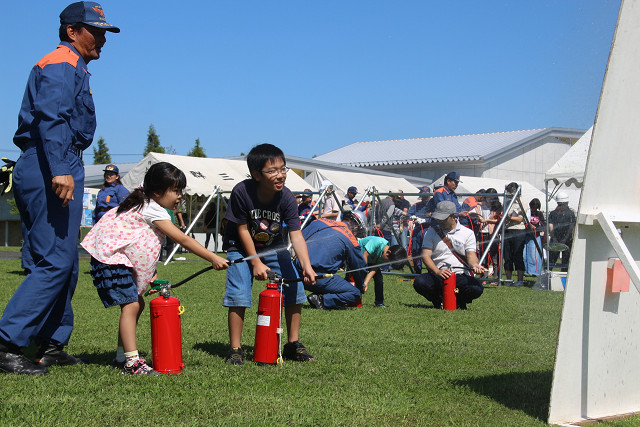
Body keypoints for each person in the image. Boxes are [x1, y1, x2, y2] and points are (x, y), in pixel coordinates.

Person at [0, 2, 119, 375]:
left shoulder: (75, 66)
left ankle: (50, 343)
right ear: (72, 31)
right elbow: (52, 117)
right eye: (95, 30)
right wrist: (61, 169)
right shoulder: (61, 63)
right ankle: (7, 343)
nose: (102, 38)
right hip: (51, 160)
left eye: (103, 31)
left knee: (63, 263)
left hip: (58, 160)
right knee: (54, 261)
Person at [81, 162, 229, 375]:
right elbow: (181, 239)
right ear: (158, 192)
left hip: (115, 256)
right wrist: (212, 257)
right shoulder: (151, 207)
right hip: (110, 258)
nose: (180, 196)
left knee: (136, 304)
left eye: (181, 191)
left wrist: (151, 273)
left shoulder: (147, 200)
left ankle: (122, 357)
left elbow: (140, 242)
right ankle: (132, 363)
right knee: (131, 305)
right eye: (176, 191)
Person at [222, 144, 317, 365]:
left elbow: (296, 234)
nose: (280, 174)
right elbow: (243, 229)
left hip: (274, 246)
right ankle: (235, 349)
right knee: (239, 292)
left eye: (283, 168)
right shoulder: (242, 191)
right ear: (256, 174)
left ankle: (293, 344)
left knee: (295, 286)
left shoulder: (286, 198)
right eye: (272, 170)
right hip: (240, 247)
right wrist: (255, 262)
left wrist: (307, 265)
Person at [413, 201, 485, 309]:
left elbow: (471, 255)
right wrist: (437, 271)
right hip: (438, 274)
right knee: (420, 282)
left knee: (476, 288)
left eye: (443, 218)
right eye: (438, 218)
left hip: (459, 275)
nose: (439, 221)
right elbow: (426, 256)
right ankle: (438, 301)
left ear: (454, 217)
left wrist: (475, 265)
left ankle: (459, 301)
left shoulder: (467, 233)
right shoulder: (431, 232)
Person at [299, 219, 367, 310]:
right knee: (354, 293)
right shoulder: (351, 239)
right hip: (316, 276)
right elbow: (358, 267)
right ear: (356, 228)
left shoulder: (319, 221)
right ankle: (321, 300)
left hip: (296, 269)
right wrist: (360, 286)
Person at [357, 235, 406, 307]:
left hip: (371, 260)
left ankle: (379, 302)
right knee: (352, 277)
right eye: (388, 261)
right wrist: (362, 277)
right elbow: (365, 256)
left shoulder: (385, 256)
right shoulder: (377, 242)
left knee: (379, 278)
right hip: (358, 256)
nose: (387, 263)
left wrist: (365, 283)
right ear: (388, 252)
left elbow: (374, 268)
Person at [502, 182, 526, 286]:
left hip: (518, 231)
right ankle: (508, 279)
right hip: (507, 230)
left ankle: (520, 280)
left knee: (517, 255)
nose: (510, 193)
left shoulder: (522, 203)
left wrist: (509, 218)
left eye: (511, 191)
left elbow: (520, 219)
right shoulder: (506, 203)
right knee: (507, 256)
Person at [548, 191, 576, 272]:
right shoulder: (570, 213)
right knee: (566, 261)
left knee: (551, 260)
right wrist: (565, 239)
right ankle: (564, 278)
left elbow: (551, 226)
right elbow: (571, 227)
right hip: (567, 240)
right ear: (567, 202)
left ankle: (547, 276)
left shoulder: (553, 213)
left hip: (555, 239)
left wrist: (554, 238)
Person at [408, 186, 432, 274]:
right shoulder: (416, 205)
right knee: (415, 250)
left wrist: (425, 220)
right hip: (418, 230)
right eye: (423, 196)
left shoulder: (433, 205)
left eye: (426, 196)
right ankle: (417, 271)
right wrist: (412, 217)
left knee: (429, 251)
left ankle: (431, 271)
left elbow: (437, 217)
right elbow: (408, 214)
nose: (425, 198)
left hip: (429, 230)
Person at [523, 198, 545, 276]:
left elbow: (543, 225)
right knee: (524, 254)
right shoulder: (527, 213)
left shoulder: (539, 214)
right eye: (533, 207)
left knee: (533, 255)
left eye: (536, 207)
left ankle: (534, 271)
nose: (534, 209)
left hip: (535, 236)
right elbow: (524, 222)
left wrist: (538, 230)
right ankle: (525, 270)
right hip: (526, 235)